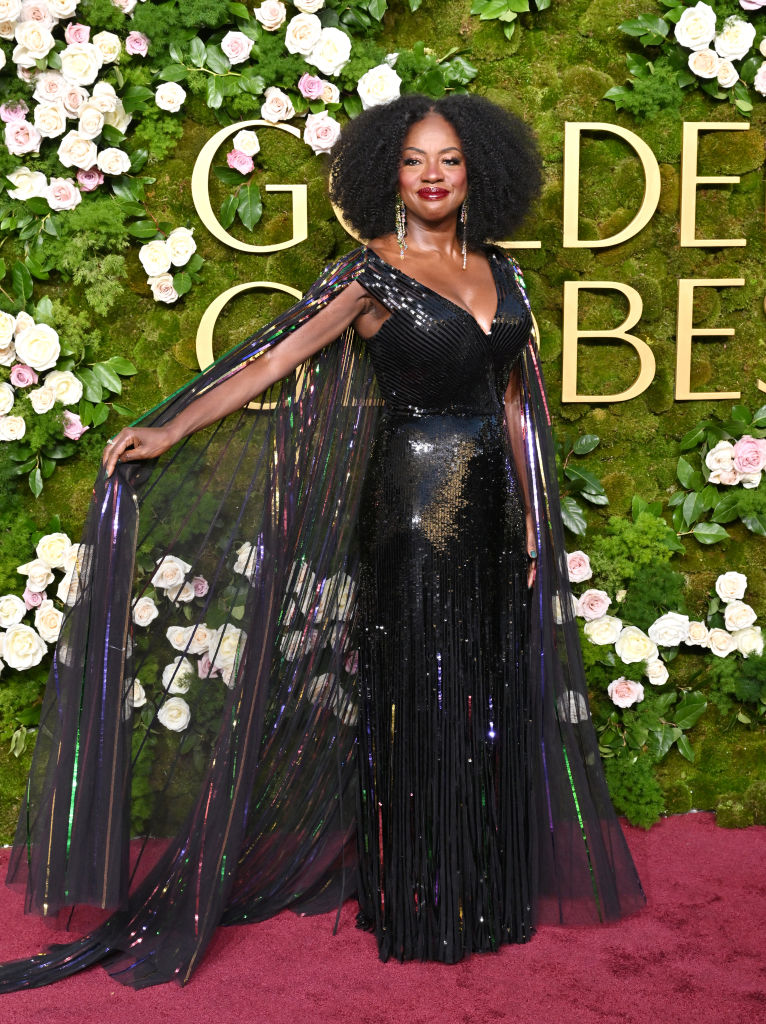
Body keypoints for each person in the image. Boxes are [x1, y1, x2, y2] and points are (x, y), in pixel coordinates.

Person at [0, 94, 645, 991]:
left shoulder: (507, 274)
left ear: (477, 173)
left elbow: (508, 404)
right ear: (389, 172)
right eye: (415, 159)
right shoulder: (368, 276)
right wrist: (171, 430)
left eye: (450, 160)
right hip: (412, 514)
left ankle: (484, 893)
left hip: (496, 512)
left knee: (485, 698)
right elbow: (270, 358)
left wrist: (535, 515)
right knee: (420, 698)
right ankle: (422, 904)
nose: (431, 175)